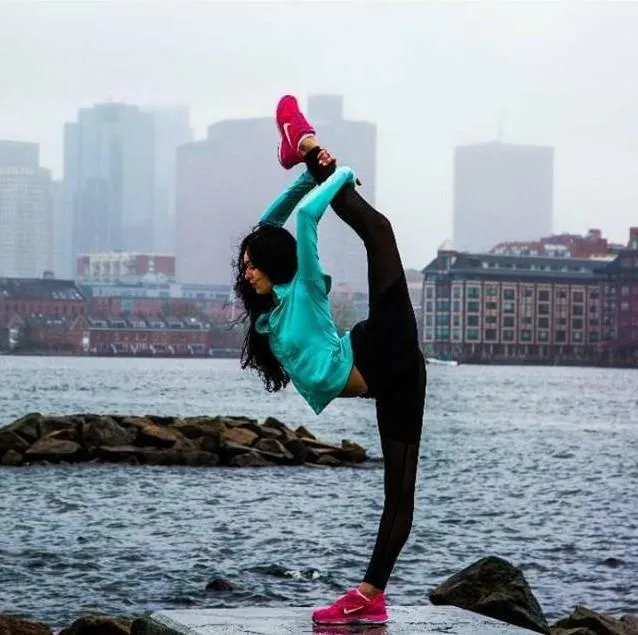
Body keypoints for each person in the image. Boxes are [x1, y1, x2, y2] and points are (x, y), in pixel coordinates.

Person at [233, 95, 426, 626]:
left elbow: (311, 219)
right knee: (397, 495)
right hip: (389, 377)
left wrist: (338, 175)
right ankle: (372, 595)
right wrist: (318, 174)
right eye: (245, 265)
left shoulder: (307, 289)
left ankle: (308, 144)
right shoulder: (269, 316)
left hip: (381, 346)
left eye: (252, 264)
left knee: (379, 231)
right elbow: (270, 223)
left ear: (273, 264)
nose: (245, 270)